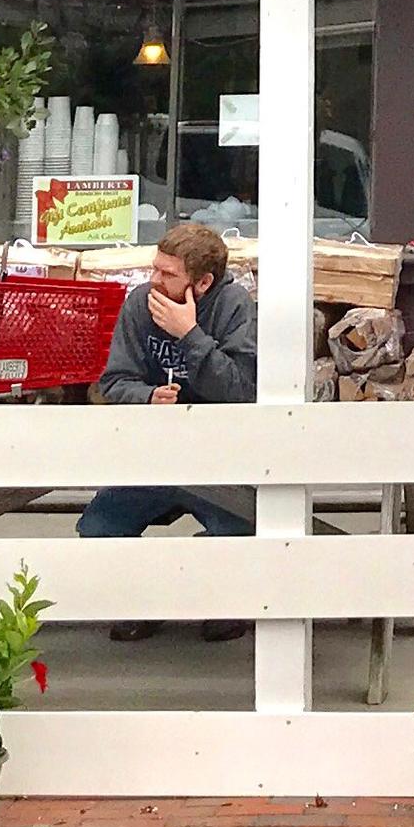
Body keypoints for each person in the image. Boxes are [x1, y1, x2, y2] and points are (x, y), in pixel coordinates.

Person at [78, 222, 259, 642]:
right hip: (154, 453)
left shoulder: (234, 306)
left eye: (166, 274)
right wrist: (146, 397)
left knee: (238, 530)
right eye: (154, 269)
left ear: (202, 283)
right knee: (98, 528)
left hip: (219, 457)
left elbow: (241, 392)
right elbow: (114, 380)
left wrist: (189, 335)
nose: (153, 280)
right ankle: (147, 601)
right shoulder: (140, 303)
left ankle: (220, 601)